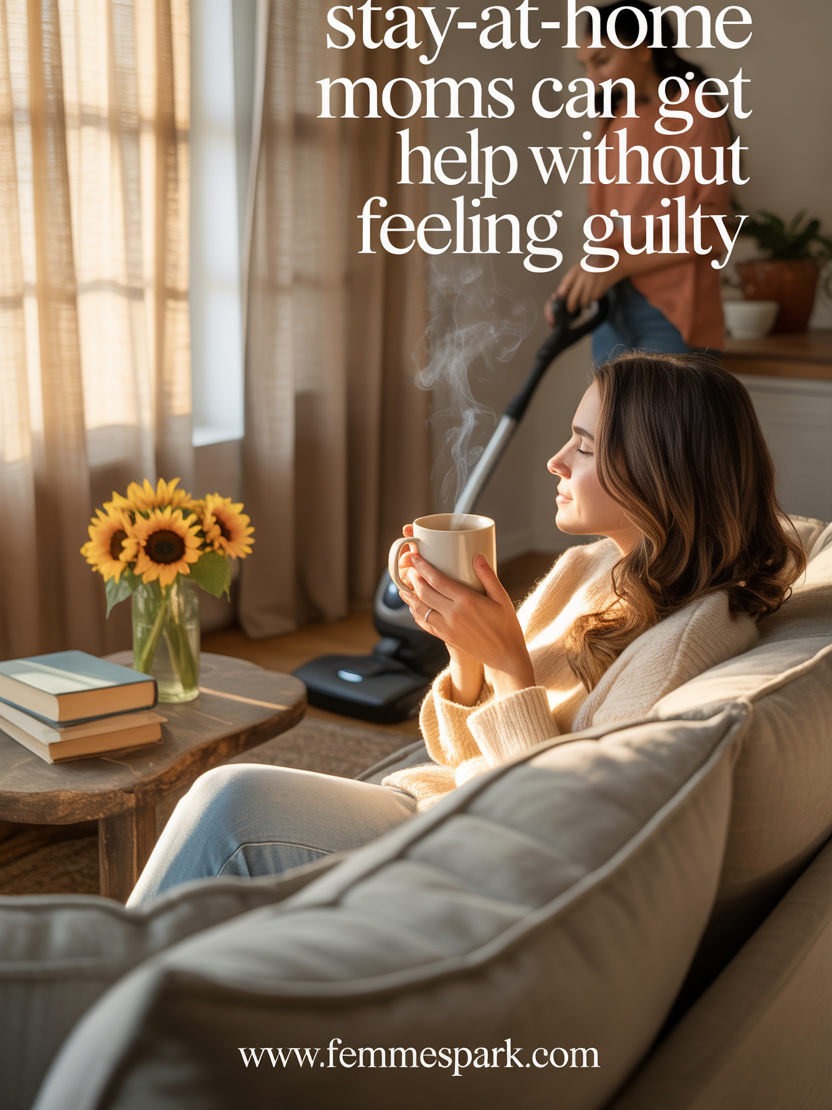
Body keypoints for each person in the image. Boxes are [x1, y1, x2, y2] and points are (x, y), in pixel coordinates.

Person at [127, 354, 804, 906]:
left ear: (660, 471)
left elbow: (562, 835)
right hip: (444, 805)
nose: (556, 462)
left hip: (473, 848)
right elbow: (454, 755)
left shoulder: (684, 642)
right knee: (228, 798)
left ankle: (101, 996)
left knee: (229, 803)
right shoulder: (593, 567)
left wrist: (510, 664)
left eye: (585, 447)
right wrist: (463, 650)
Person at [545, 0, 735, 364]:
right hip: (611, 308)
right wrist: (579, 281)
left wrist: (617, 265)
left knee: (665, 423)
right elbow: (610, 230)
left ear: (644, 50)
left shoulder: (696, 111)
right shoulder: (613, 121)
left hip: (673, 314)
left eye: (602, 61)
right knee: (610, 422)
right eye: (585, 66)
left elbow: (710, 233)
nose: (592, 78)